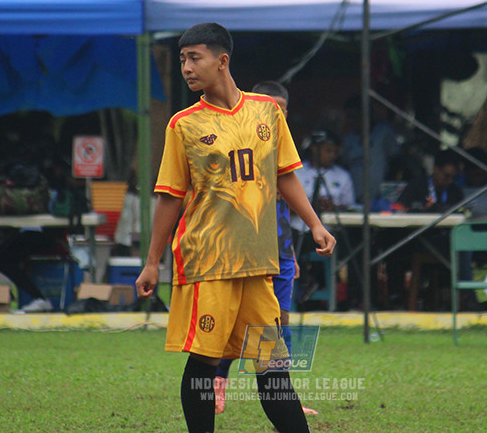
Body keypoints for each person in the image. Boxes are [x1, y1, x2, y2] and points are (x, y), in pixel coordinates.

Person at [135, 22, 336, 433]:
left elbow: (284, 175)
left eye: (194, 58)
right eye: (182, 60)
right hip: (208, 264)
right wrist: (152, 261)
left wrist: (314, 223)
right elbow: (170, 197)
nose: (186, 68)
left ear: (222, 61)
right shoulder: (183, 125)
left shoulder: (267, 111)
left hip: (258, 265)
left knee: (272, 365)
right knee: (205, 362)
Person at [214, 80, 318, 417]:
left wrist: (290, 254)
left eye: (280, 109)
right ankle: (217, 381)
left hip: (280, 253)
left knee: (280, 326)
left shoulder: (283, 148)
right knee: (236, 323)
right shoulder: (240, 144)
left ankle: (285, 399)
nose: (274, 114)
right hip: (244, 253)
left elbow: (283, 205)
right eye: (268, 107)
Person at [0, 162, 66, 313]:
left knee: (4, 262)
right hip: (19, 234)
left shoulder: (45, 193)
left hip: (39, 235)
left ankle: (39, 299)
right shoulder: (36, 191)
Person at [399, 148, 465, 211]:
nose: (450, 181)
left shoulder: (456, 192)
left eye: (454, 178)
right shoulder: (416, 186)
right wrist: (421, 210)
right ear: (435, 169)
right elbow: (399, 208)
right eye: (446, 176)